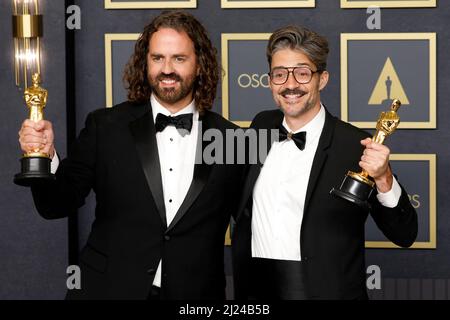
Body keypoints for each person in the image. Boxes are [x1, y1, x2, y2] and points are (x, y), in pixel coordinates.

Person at [18, 10, 243, 300]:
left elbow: (255, 224)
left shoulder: (232, 140)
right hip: (107, 290)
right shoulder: (106, 126)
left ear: (200, 65)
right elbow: (56, 205)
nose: (167, 69)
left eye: (179, 58)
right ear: (144, 62)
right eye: (157, 58)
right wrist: (45, 156)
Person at [232, 25, 418, 300]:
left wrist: (384, 179)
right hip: (256, 293)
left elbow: (404, 234)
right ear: (270, 81)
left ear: (323, 79)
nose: (290, 85)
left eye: (303, 73)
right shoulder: (260, 126)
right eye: (280, 74)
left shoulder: (354, 145)